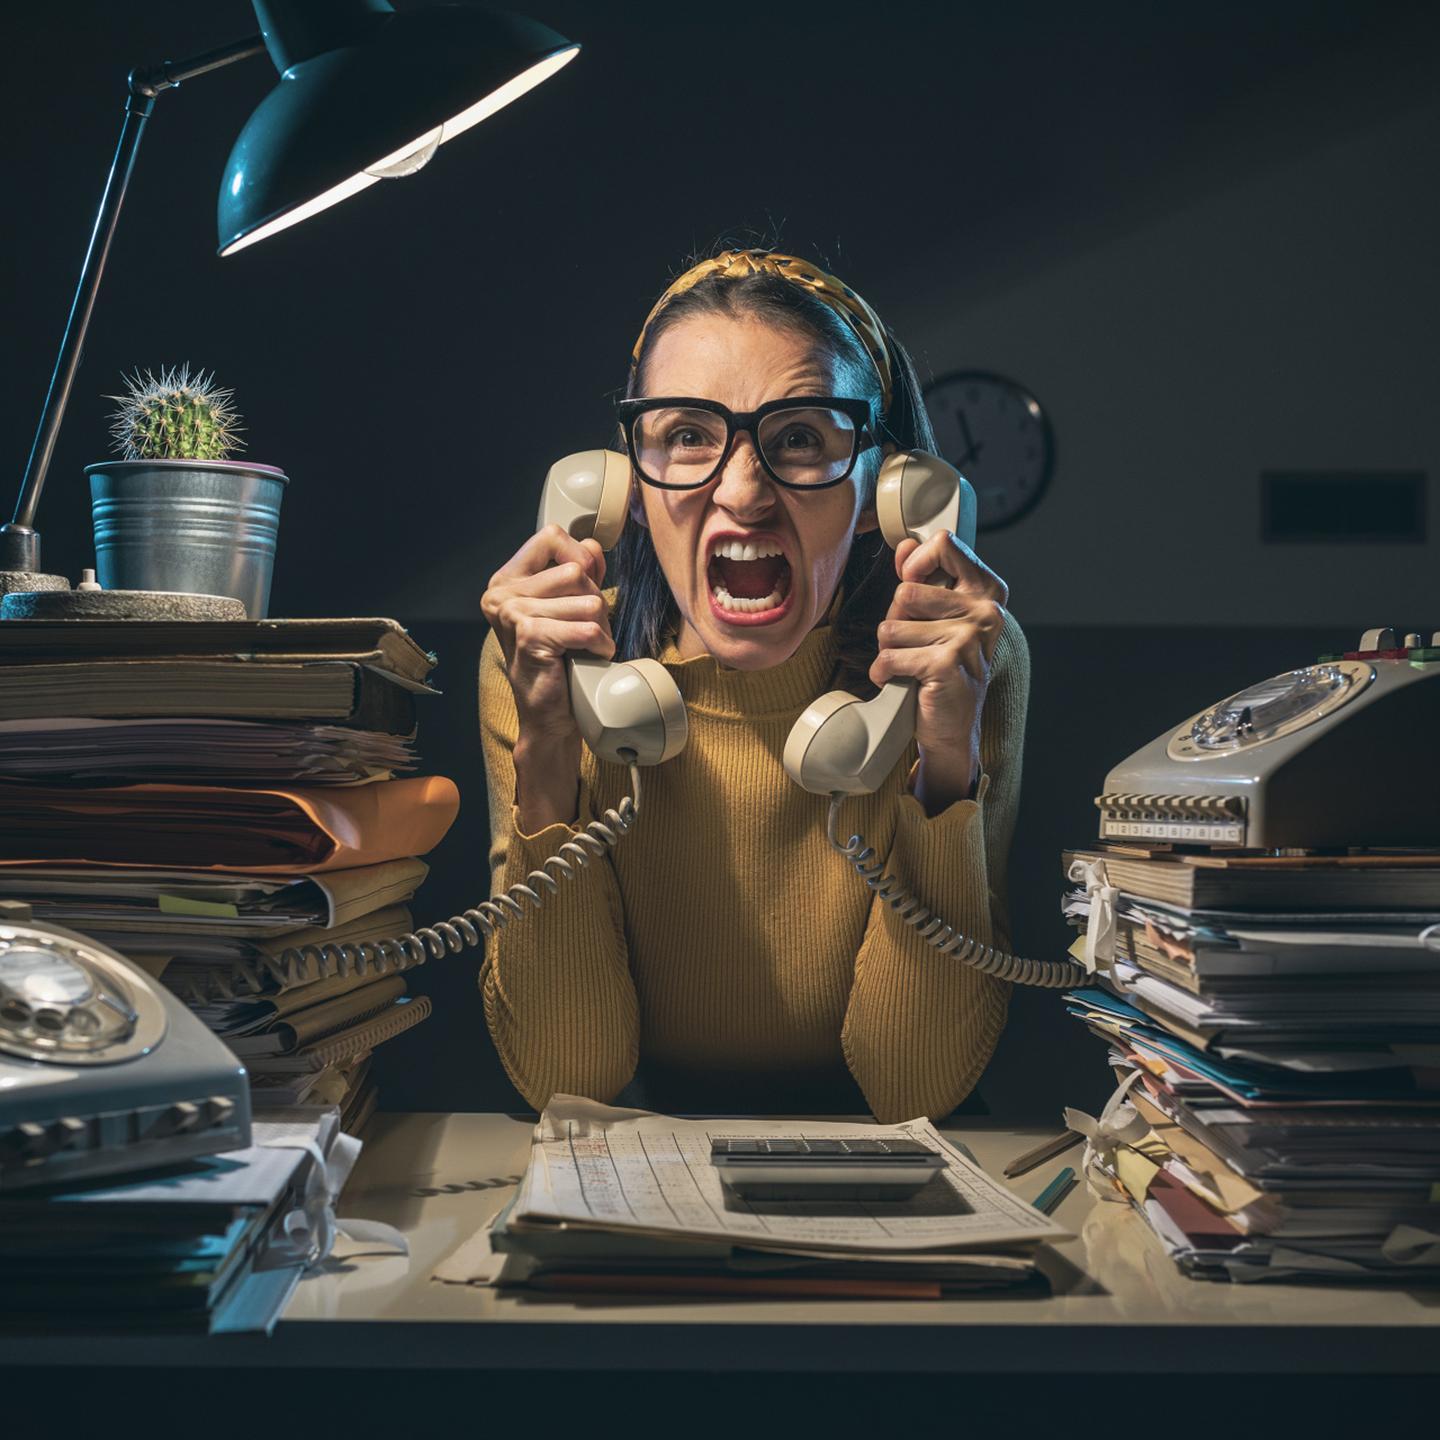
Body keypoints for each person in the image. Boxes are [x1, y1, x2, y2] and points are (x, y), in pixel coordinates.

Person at [477, 248, 1029, 1124]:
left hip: (890, 1172)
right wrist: (549, 744)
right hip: (642, 1162)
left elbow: (915, 1085)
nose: (743, 493)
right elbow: (565, 1073)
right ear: (620, 478)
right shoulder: (552, 656)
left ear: (889, 486)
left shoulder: (961, 658)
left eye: (802, 436)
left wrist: (943, 762)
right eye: (688, 433)